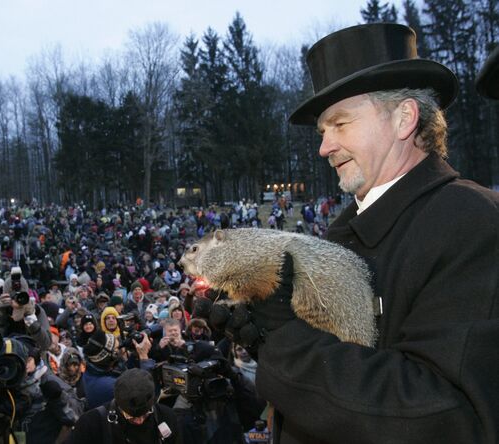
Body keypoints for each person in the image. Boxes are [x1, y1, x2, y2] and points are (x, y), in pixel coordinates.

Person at [241, 23, 498, 443]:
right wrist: (265, 336)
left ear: (403, 118)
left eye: (340, 124)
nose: (324, 147)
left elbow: (441, 414)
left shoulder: (473, 222)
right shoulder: (343, 231)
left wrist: (286, 346)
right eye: (323, 131)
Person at [67, 368, 183, 444]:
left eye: (146, 414)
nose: (139, 421)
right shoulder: (92, 423)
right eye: (130, 417)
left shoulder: (166, 416)